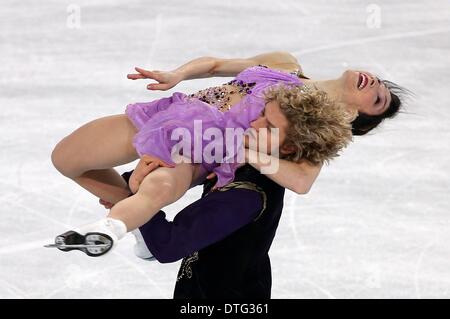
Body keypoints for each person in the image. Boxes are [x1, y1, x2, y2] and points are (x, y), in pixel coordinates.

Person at [50, 52, 405, 256]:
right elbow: (217, 65)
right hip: (168, 113)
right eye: (381, 84)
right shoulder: (285, 63)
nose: (376, 84)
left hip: (196, 149)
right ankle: (136, 221)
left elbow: (301, 180)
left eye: (379, 100)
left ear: (357, 118)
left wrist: (239, 148)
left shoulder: (315, 125)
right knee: (66, 158)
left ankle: (110, 229)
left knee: (156, 189)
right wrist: (177, 74)